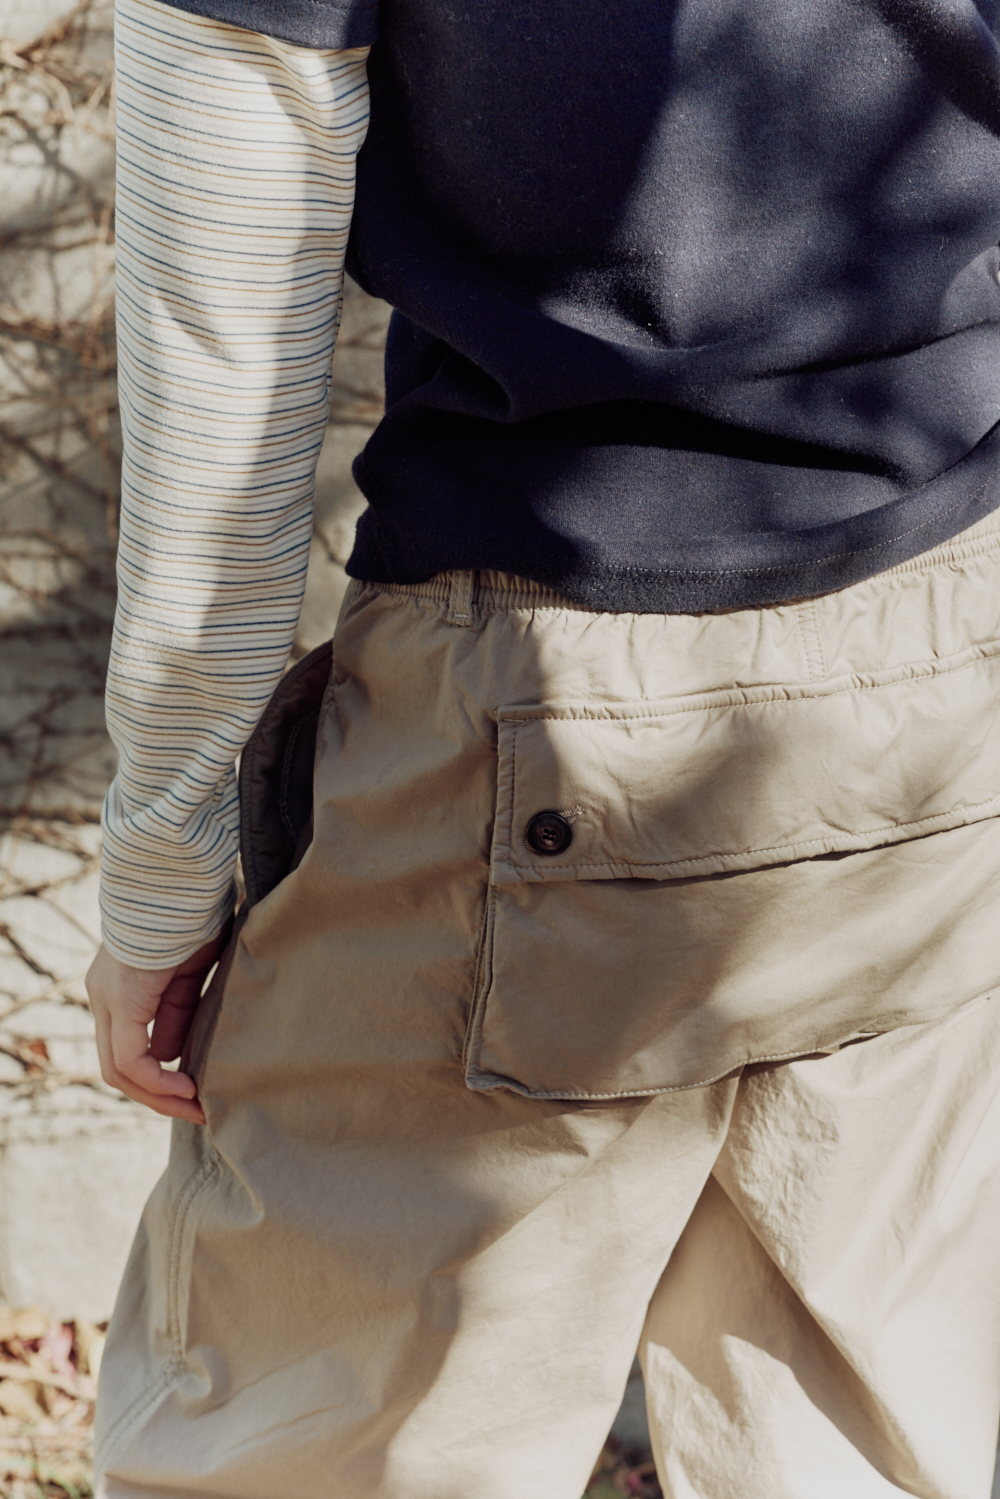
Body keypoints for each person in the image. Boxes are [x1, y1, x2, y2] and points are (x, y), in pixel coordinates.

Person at [86, 0, 1000, 1494]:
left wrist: (164, 867)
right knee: (863, 1444)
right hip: (945, 648)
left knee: (321, 1450)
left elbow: (221, 360)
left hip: (534, 699)